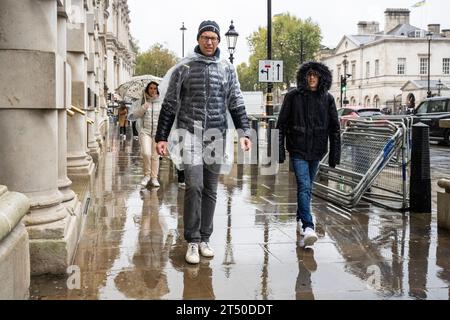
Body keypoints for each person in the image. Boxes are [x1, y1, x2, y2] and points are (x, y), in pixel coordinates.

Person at [155, 20, 252, 264]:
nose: (210, 41)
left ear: (219, 41)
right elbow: (169, 104)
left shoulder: (227, 69)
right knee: (195, 185)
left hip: (216, 136)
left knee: (210, 189)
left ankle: (205, 238)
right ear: (198, 39)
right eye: (205, 37)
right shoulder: (184, 68)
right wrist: (161, 137)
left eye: (214, 38)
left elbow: (236, 101)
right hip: (189, 134)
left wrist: (244, 132)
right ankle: (192, 241)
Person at [277, 61, 341, 248]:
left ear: (321, 77)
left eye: (315, 75)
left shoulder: (327, 99)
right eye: (309, 75)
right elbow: (281, 125)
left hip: (317, 150)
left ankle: (299, 218)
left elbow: (335, 129)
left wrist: (334, 154)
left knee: (308, 187)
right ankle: (308, 226)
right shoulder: (292, 97)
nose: (312, 78)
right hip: (297, 149)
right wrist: (279, 151)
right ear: (304, 77)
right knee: (304, 186)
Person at [129, 81, 162, 187]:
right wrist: (143, 108)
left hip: (157, 133)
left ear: (157, 90)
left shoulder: (161, 102)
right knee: (146, 153)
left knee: (155, 156)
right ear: (147, 89)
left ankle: (154, 178)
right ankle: (146, 175)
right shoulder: (142, 101)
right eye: (151, 88)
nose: (153, 90)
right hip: (145, 132)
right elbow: (134, 116)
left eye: (155, 88)